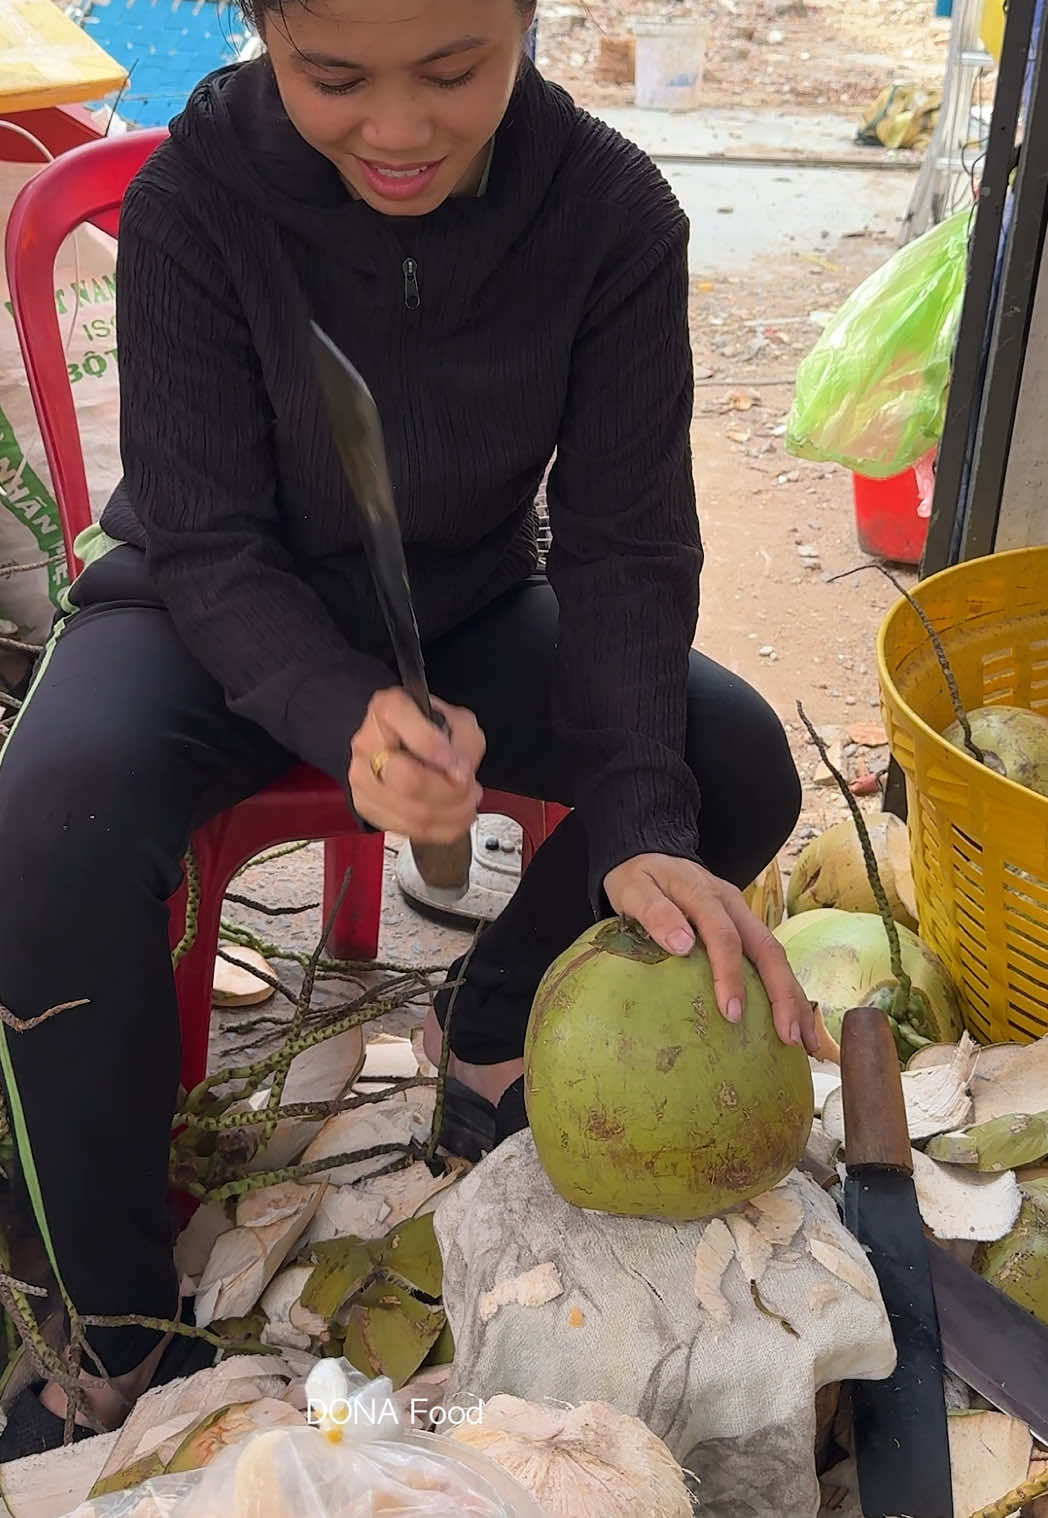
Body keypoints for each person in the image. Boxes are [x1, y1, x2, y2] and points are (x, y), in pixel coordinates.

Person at [0, 0, 818, 1459]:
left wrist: (638, 819)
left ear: (524, 19)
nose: (397, 131)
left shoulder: (613, 217)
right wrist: (339, 710)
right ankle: (110, 1323)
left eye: (455, 71)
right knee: (44, 827)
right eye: (332, 77)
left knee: (728, 759)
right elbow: (206, 535)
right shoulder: (196, 199)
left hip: (462, 608)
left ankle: (492, 1023)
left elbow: (629, 545)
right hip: (202, 613)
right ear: (261, 32)